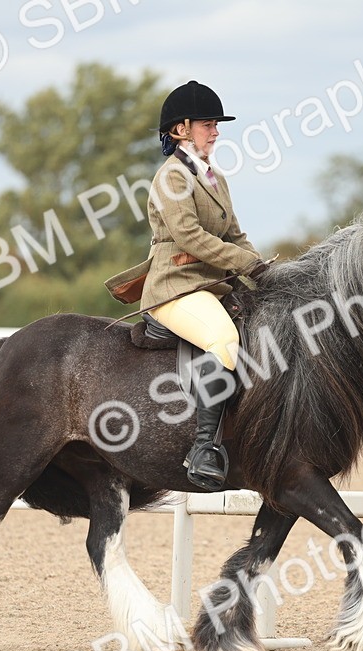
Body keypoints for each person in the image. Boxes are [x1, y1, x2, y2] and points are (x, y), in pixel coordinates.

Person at [116, 80, 268, 491]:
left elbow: (234, 235)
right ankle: (204, 449)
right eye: (207, 124)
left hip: (211, 285)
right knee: (223, 339)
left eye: (215, 124)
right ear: (180, 129)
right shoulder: (171, 178)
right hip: (175, 288)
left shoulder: (214, 176)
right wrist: (247, 265)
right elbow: (190, 237)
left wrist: (265, 272)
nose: (215, 131)